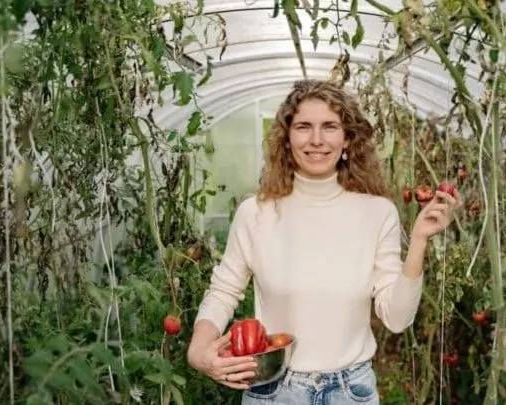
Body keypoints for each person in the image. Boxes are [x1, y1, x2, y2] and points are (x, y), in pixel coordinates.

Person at [187, 79, 462, 404]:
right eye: (303, 127)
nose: (316, 140)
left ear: (347, 139)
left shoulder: (378, 213)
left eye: (330, 126)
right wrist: (197, 350)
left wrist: (418, 240)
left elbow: (397, 319)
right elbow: (223, 291)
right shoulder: (256, 213)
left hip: (350, 391)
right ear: (287, 139)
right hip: (274, 390)